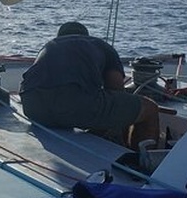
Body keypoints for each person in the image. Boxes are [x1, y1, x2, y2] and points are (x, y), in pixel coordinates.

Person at [19, 21, 159, 150]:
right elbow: (116, 90)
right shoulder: (100, 45)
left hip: (32, 107)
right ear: (86, 35)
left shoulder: (50, 46)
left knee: (85, 107)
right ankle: (142, 164)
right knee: (149, 109)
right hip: (72, 104)